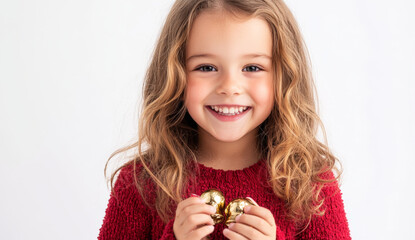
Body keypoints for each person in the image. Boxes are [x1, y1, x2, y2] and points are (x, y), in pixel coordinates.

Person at [98, 0, 351, 239]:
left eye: (252, 68)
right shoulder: (141, 183)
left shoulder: (311, 185)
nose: (229, 87)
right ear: (174, 74)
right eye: (206, 67)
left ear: (284, 76)